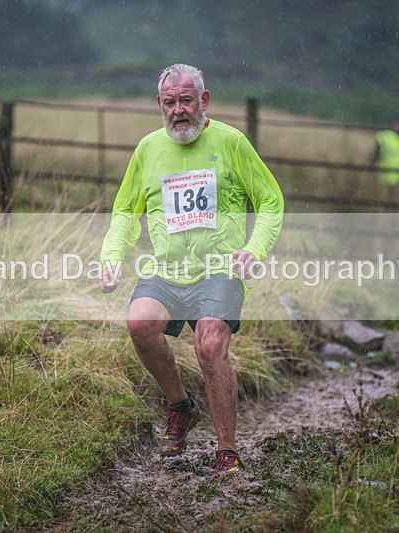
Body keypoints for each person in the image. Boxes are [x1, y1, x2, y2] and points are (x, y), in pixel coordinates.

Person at [98, 63, 284, 473]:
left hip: (221, 265)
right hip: (167, 267)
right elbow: (126, 212)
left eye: (186, 100)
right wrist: (111, 257)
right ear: (159, 105)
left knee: (210, 346)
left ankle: (227, 450)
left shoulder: (231, 141)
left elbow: (271, 201)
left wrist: (254, 249)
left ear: (204, 100)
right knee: (138, 323)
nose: (178, 111)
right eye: (170, 103)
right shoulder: (148, 149)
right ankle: (180, 407)